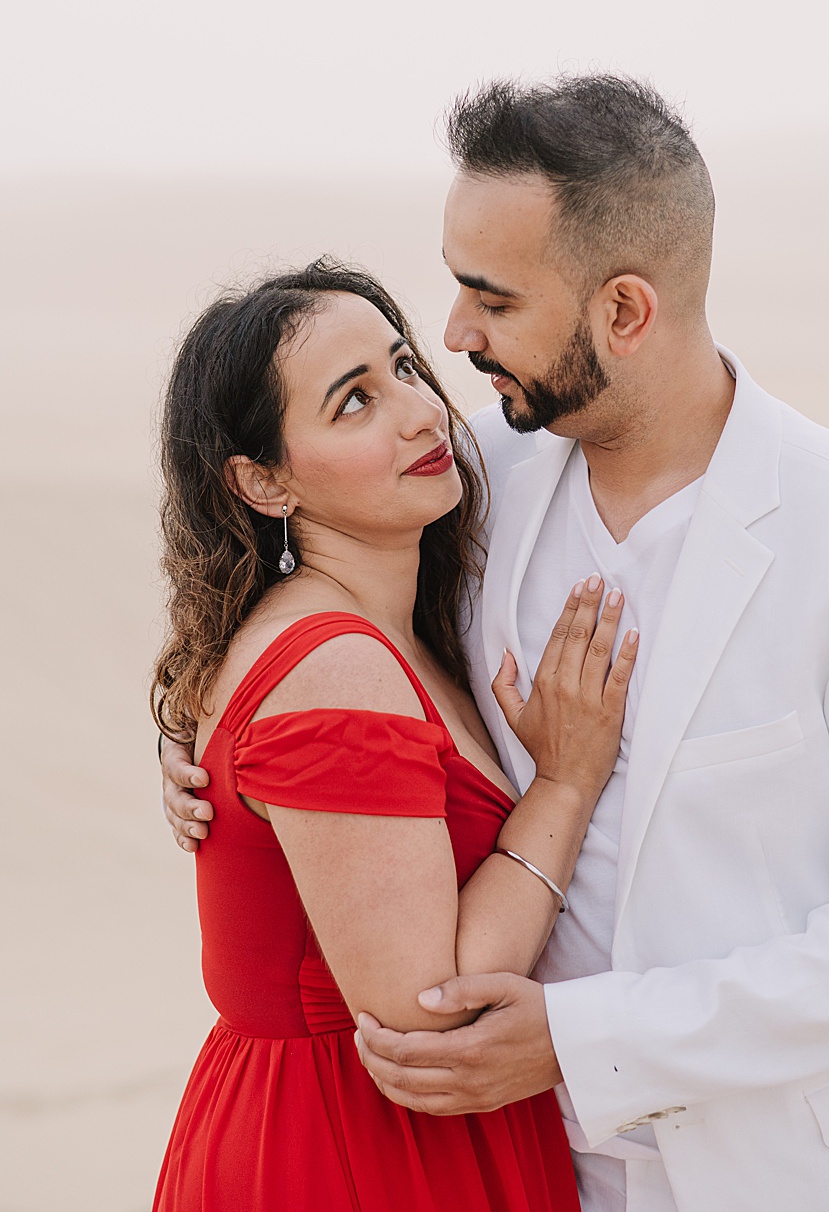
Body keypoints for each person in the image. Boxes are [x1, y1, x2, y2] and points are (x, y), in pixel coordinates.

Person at [161, 74, 829, 1212]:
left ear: (624, 313)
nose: (451, 339)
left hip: (764, 1174)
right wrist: (203, 771)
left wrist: (586, 1040)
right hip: (485, 1165)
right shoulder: (466, 486)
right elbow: (326, 667)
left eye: (489, 300)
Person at [150, 261, 639, 1209]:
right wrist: (564, 787)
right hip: (352, 1152)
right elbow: (431, 1012)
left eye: (405, 366)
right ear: (262, 481)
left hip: (380, 1134)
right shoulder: (335, 666)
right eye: (354, 403)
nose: (421, 414)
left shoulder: (391, 627)